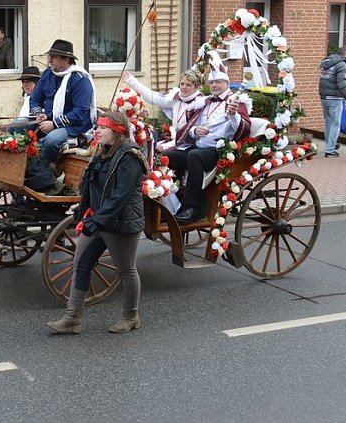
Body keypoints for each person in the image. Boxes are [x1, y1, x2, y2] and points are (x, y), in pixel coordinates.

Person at [45, 111, 149, 334]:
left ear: (117, 132)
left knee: (126, 270)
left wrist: (98, 220)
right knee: (80, 264)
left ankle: (131, 316)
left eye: (103, 128)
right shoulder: (101, 152)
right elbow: (90, 187)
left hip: (121, 222)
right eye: (98, 127)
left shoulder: (129, 156)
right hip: (98, 218)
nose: (98, 131)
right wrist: (82, 212)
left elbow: (119, 197)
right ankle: (73, 317)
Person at [166, 65, 251, 224]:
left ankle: (192, 208)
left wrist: (233, 115)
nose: (214, 85)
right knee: (167, 157)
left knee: (194, 156)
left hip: (218, 151)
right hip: (198, 146)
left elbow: (244, 129)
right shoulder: (204, 101)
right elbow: (189, 127)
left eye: (218, 81)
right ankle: (171, 203)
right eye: (211, 82)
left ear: (227, 83)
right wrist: (195, 131)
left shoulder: (236, 101)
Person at [29, 39, 97, 166]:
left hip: (74, 127)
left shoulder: (80, 79)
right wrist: (39, 114)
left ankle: (43, 170)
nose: (49, 60)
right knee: (16, 127)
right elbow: (35, 99)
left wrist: (54, 124)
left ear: (66, 59)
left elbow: (81, 112)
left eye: (53, 57)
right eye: (50, 56)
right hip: (47, 120)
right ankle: (16, 168)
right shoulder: (47, 74)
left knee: (51, 140)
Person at [121, 68, 206, 151]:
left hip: (190, 146)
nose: (183, 87)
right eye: (182, 84)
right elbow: (154, 97)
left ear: (196, 87)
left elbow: (189, 133)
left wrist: (167, 146)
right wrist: (131, 81)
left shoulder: (200, 103)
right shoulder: (177, 98)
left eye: (188, 85)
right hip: (175, 141)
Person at [319, 46, 346, 157]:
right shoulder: (341, 65)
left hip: (324, 96)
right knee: (335, 124)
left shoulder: (327, 62)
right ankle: (330, 150)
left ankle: (330, 144)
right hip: (335, 98)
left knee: (328, 122)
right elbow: (341, 85)